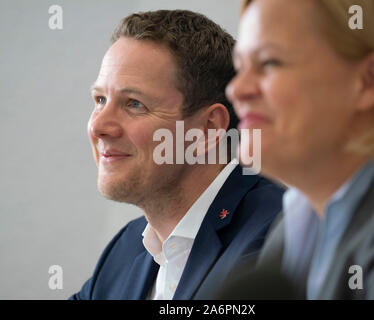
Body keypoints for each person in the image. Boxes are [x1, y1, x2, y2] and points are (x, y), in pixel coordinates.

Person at [70, 9, 285, 300]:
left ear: (208, 129)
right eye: (100, 100)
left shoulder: (279, 239)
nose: (98, 126)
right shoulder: (123, 251)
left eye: (134, 103)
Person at [226, 0, 374, 299]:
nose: (235, 89)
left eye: (269, 62)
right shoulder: (291, 228)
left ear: (369, 81)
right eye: (239, 67)